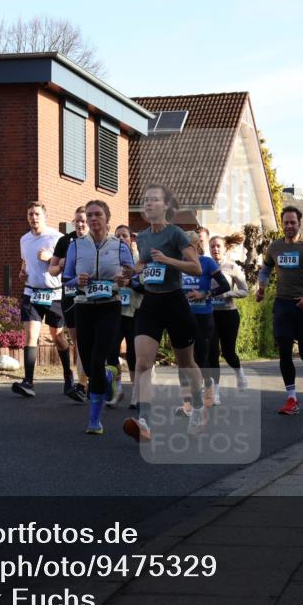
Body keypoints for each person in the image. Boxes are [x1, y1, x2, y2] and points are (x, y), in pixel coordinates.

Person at [123, 184, 206, 441]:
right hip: (151, 304)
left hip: (175, 303)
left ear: (166, 206)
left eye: (154, 200)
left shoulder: (176, 234)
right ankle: (144, 421)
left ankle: (199, 408)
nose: (148, 204)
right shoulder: (143, 237)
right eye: (145, 200)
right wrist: (131, 271)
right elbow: (143, 262)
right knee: (143, 363)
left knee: (186, 364)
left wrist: (168, 260)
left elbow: (196, 269)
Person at [61, 200, 134, 434]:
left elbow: (130, 274)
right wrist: (76, 281)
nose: (93, 219)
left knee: (97, 356)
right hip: (83, 306)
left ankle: (95, 420)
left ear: (107, 218)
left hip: (109, 306)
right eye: (89, 215)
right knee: (91, 370)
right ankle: (107, 374)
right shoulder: (75, 245)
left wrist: (124, 279)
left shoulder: (120, 246)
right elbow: (66, 279)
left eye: (98, 215)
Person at [257, 206, 303, 416]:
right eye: (286, 223)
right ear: (282, 224)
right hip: (283, 304)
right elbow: (266, 269)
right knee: (285, 352)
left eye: (293, 223)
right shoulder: (275, 247)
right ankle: (291, 399)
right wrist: (261, 287)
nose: (289, 226)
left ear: (299, 223)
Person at [12, 202, 77, 398]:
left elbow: (68, 264)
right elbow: (26, 263)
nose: (34, 218)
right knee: (31, 334)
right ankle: (28, 381)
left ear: (45, 217)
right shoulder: (24, 239)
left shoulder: (57, 237)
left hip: (54, 293)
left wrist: (51, 258)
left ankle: (68, 376)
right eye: (30, 214)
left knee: (57, 336)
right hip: (32, 292)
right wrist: (23, 273)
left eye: (37, 214)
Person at [178, 230, 230, 414]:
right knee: (183, 361)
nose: (184, 249)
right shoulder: (178, 264)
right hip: (182, 317)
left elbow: (225, 285)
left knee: (200, 359)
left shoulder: (207, 263)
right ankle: (187, 403)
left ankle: (207, 384)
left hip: (203, 317)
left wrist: (204, 294)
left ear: (196, 246)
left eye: (188, 245)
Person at [48, 206, 89, 402]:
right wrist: (61, 265)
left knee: (87, 340)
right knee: (78, 342)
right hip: (69, 294)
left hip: (90, 295)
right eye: (77, 221)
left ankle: (85, 383)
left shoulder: (95, 242)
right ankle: (83, 383)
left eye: (84, 221)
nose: (80, 224)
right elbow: (52, 270)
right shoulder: (65, 241)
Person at [208, 234, 250, 400]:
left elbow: (245, 290)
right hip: (210, 314)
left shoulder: (232, 267)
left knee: (228, 352)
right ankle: (215, 392)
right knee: (212, 353)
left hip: (228, 314)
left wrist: (228, 293)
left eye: (218, 246)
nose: (215, 249)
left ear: (225, 248)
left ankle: (239, 374)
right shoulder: (205, 266)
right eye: (212, 246)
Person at [108, 224, 140, 408]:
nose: (121, 238)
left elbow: (145, 286)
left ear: (131, 239)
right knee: (111, 352)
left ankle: (136, 394)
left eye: (124, 235)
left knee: (134, 355)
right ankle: (117, 390)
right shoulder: (110, 260)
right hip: (115, 311)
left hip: (135, 311)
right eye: (117, 235)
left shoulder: (138, 261)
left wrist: (130, 282)